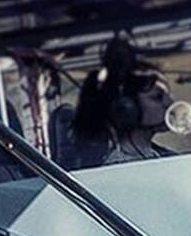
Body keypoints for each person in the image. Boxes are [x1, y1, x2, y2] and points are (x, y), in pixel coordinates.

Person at [73, 36, 173, 167]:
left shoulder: (159, 156)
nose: (170, 103)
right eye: (157, 97)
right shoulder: (119, 168)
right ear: (127, 108)